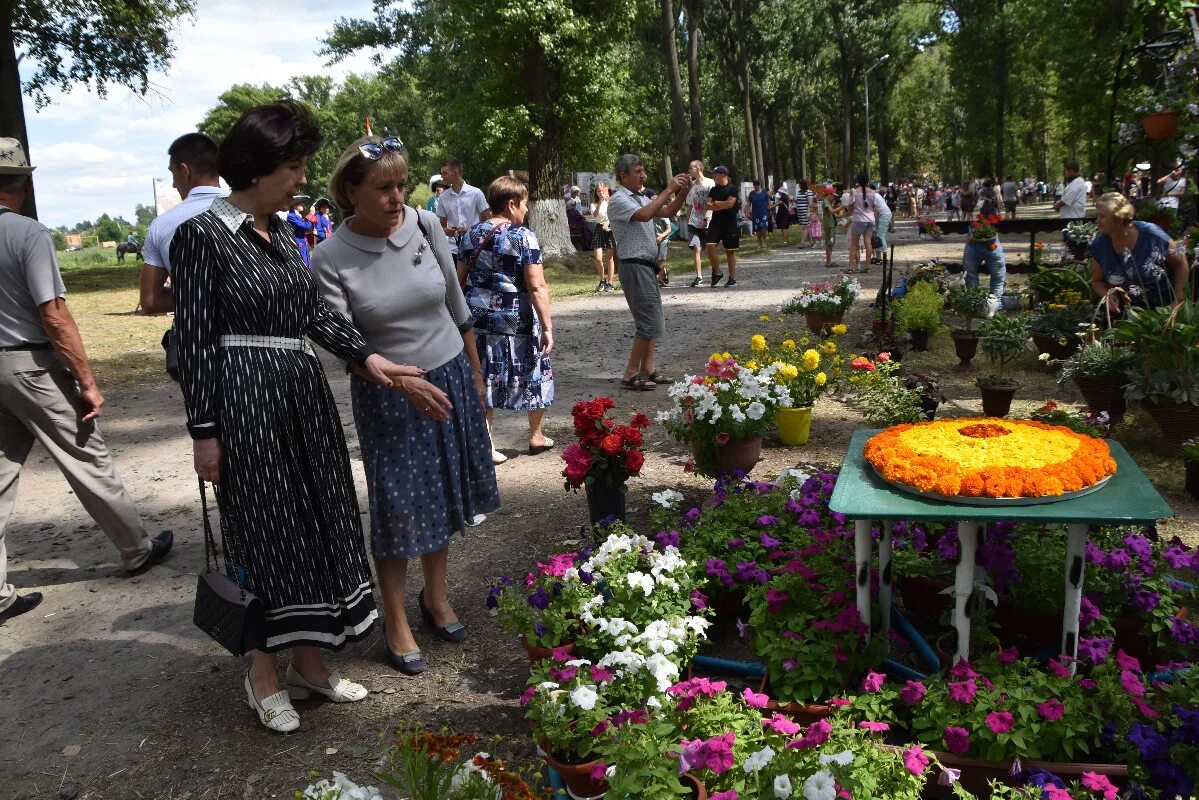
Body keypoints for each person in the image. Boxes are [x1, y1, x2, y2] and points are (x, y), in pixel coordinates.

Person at [171, 102, 416, 732]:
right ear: (255, 167)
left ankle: (311, 666)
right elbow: (194, 343)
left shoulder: (282, 234)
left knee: (317, 518)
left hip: (301, 396)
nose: (302, 178)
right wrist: (206, 432)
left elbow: (313, 316)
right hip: (245, 399)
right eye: (293, 165)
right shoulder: (202, 235)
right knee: (268, 529)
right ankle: (263, 674)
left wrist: (369, 357)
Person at [313, 136, 499, 677]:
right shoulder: (329, 257)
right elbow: (343, 346)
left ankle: (436, 599)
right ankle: (395, 616)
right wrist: (398, 382)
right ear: (351, 192)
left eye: (401, 185)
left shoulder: (424, 223)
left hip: (449, 374)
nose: (398, 197)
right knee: (398, 508)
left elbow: (454, 303)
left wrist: (475, 375)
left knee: (441, 493)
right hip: (389, 393)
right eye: (383, 188)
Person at [0, 137, 173, 627]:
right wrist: (86, 381)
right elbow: (53, 314)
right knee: (85, 454)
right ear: (23, 182)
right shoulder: (27, 235)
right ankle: (137, 548)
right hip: (29, 365)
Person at [459, 176, 556, 468]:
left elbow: (458, 277)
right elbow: (537, 286)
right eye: (524, 204)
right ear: (512, 204)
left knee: (483, 374)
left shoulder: (471, 234)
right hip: (516, 319)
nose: (526, 210)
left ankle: (487, 443)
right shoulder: (523, 236)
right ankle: (536, 435)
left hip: (477, 319)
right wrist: (548, 326)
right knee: (536, 367)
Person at [607, 154, 691, 391]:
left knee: (653, 318)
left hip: (646, 264)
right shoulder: (619, 200)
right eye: (637, 171)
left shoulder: (638, 197)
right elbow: (645, 215)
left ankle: (647, 369)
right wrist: (668, 188)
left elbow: (668, 211)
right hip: (633, 265)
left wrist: (683, 191)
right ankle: (630, 373)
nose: (643, 175)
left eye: (643, 171)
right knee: (647, 321)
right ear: (623, 175)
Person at [140, 133, 229, 314]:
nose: (173, 184)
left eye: (173, 173)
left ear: (185, 170)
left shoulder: (162, 225)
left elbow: (150, 300)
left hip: (195, 337)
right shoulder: (253, 213)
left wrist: (196, 295)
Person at [1089, 192, 1188, 312]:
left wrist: (1179, 297)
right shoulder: (1100, 245)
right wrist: (1107, 295)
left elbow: (1181, 261)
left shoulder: (1151, 235)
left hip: (1163, 308)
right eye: (1098, 216)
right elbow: (1097, 281)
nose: (1097, 221)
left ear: (1119, 219)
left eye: (1102, 217)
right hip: (1125, 312)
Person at [437, 158, 491, 258]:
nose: (442, 177)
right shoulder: (443, 198)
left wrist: (470, 230)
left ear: (456, 172)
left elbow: (488, 222)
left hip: (476, 249)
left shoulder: (476, 193)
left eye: (445, 173)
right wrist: (446, 231)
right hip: (453, 250)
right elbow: (442, 226)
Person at [705, 166, 740, 287]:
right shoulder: (713, 190)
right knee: (710, 245)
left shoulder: (732, 188)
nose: (713, 176)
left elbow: (731, 204)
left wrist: (716, 203)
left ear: (723, 175)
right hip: (715, 222)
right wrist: (722, 204)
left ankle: (732, 278)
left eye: (715, 174)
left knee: (729, 251)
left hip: (729, 223)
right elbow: (708, 205)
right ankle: (718, 272)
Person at [684, 160, 714, 287]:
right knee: (697, 249)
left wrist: (706, 218)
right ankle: (699, 276)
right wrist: (688, 219)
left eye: (691, 168)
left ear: (697, 168)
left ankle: (715, 271)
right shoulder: (692, 187)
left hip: (707, 220)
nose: (689, 170)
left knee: (708, 249)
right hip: (694, 221)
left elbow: (713, 202)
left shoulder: (710, 183)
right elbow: (690, 205)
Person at [842, 174, 876, 274]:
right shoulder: (873, 192)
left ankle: (850, 267)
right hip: (870, 220)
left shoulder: (854, 192)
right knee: (868, 242)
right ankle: (868, 267)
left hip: (858, 220)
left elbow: (850, 207)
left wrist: (849, 212)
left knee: (854, 244)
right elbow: (874, 206)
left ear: (858, 182)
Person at [589, 182, 617, 292]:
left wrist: (608, 222)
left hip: (609, 229)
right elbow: (595, 215)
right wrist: (600, 202)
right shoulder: (594, 204)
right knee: (598, 257)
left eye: (603, 191)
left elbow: (614, 215)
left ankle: (610, 283)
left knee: (610, 257)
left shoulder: (611, 202)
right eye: (599, 191)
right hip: (598, 228)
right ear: (596, 193)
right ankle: (602, 280)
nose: (601, 193)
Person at [286, 200, 314, 266]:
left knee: (307, 261)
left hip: (303, 241)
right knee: (303, 262)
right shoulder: (291, 216)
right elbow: (306, 227)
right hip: (298, 242)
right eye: (300, 203)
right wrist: (311, 214)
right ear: (294, 205)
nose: (302, 205)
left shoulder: (298, 216)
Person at [747, 179, 770, 250]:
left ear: (759, 185)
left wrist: (769, 209)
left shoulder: (764, 192)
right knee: (758, 230)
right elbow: (748, 204)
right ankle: (759, 243)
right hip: (755, 214)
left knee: (763, 228)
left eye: (758, 185)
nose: (757, 187)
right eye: (755, 185)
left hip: (764, 213)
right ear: (754, 186)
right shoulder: (751, 194)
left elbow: (768, 202)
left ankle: (764, 242)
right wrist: (747, 212)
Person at [872, 186, 892, 263]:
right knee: (878, 236)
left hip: (884, 216)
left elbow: (875, 211)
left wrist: (873, 222)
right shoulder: (876, 195)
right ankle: (879, 258)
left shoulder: (874, 197)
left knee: (880, 237)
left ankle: (884, 258)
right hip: (884, 215)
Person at [793, 179, 814, 248]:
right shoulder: (799, 192)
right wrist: (793, 200)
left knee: (804, 227)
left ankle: (802, 243)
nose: (798, 186)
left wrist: (808, 212)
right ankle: (811, 242)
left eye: (799, 184)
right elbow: (798, 202)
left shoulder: (809, 192)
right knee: (807, 226)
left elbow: (810, 204)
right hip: (800, 212)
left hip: (806, 212)